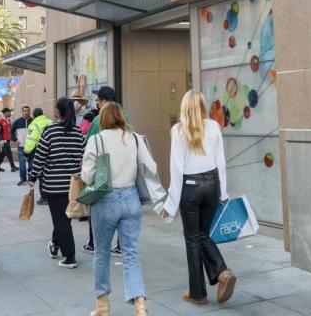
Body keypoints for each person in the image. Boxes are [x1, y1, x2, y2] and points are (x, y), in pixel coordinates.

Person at [161, 90, 236, 305]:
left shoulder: (178, 130)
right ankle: (221, 273)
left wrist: (171, 202)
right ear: (202, 105)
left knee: (193, 239)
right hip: (212, 184)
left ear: (185, 106)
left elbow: (177, 169)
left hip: (190, 187)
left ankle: (200, 291)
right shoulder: (213, 126)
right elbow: (221, 162)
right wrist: (223, 193)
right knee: (203, 235)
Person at [82, 103, 156, 316]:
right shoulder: (134, 138)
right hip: (131, 198)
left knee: (102, 253)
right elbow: (151, 167)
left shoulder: (96, 140)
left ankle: (103, 306)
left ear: (103, 119)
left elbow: (87, 176)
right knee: (130, 253)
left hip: (105, 200)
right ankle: (140, 303)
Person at [28, 98, 85, 269]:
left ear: (58, 112)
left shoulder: (50, 130)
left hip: (54, 184)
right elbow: (83, 154)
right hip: (73, 184)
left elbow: (40, 156)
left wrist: (32, 177)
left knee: (61, 221)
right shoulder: (77, 132)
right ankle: (55, 245)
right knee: (63, 219)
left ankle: (70, 257)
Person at [83, 86, 127, 254]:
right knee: (123, 218)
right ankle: (120, 246)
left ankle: (93, 243)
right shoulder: (126, 116)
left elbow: (89, 147)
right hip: (125, 177)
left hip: (104, 175)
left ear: (102, 102)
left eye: (98, 101)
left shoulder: (97, 120)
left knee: (97, 214)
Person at [24, 107, 52, 205]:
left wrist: (26, 152)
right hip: (52, 151)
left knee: (41, 175)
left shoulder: (34, 125)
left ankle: (44, 198)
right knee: (50, 174)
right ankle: (51, 195)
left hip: (39, 152)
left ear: (34, 115)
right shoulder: (50, 121)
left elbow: (31, 141)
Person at [11, 105, 33, 186]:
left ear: (30, 112)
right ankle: (23, 179)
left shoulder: (33, 121)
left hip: (32, 147)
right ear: (22, 112)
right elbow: (12, 131)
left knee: (31, 164)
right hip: (21, 146)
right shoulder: (17, 121)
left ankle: (30, 179)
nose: (26, 112)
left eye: (28, 111)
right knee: (22, 165)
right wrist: (15, 140)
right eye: (24, 111)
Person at [0, 108, 18, 173]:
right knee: (9, 153)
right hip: (4, 140)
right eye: (8, 112)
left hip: (7, 139)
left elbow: (9, 130)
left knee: (3, 154)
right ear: (5, 113)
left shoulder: (8, 120)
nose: (10, 113)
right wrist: (1, 140)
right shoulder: (0, 121)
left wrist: (12, 138)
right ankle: (13, 167)